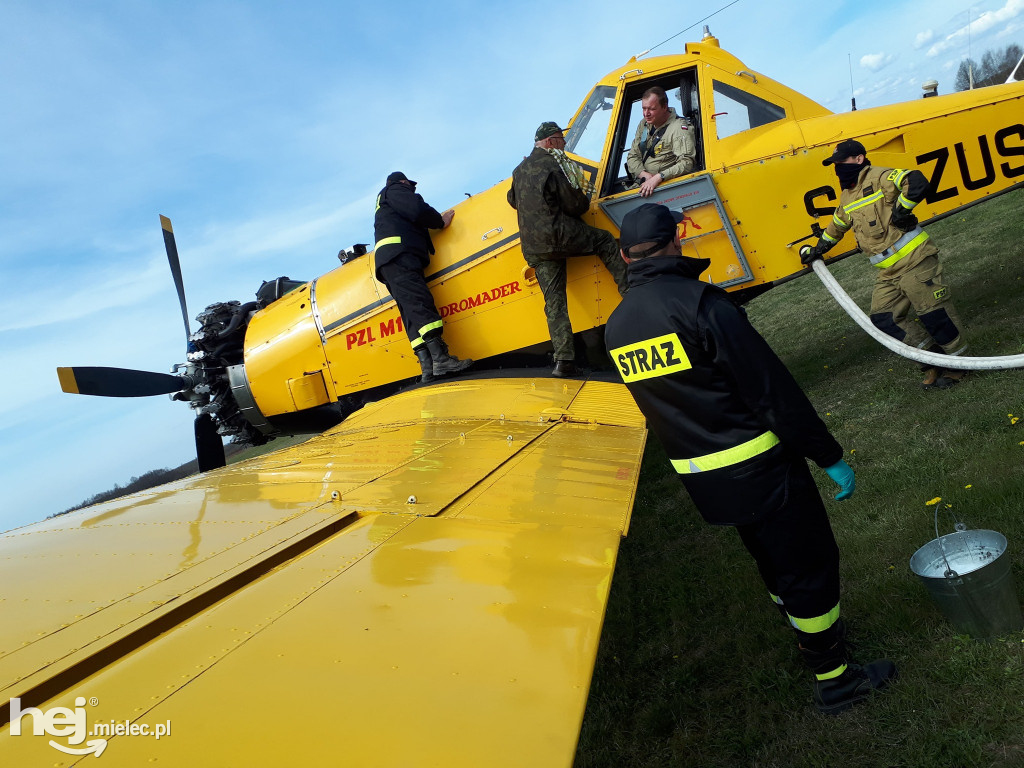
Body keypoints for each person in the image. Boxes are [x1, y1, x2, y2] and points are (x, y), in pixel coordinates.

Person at [605, 203, 896, 715]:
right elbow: (770, 393)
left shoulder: (617, 327)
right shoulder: (702, 306)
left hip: (709, 482)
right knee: (808, 568)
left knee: (772, 567)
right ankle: (836, 679)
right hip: (764, 471)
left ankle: (810, 640)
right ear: (675, 242)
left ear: (627, 256)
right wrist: (828, 456)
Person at [800, 139, 968, 389]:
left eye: (841, 162)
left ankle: (960, 365)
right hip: (887, 272)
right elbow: (837, 225)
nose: (837, 168)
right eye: (834, 164)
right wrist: (819, 249)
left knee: (933, 313)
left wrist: (903, 210)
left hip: (915, 259)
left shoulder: (880, 177)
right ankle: (933, 360)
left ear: (858, 159)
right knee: (884, 320)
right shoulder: (848, 195)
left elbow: (917, 180)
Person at [507, 121, 629, 377]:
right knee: (605, 240)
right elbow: (575, 206)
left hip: (534, 248)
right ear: (551, 142)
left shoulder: (519, 170)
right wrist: (582, 197)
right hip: (560, 235)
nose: (564, 144)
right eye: (561, 140)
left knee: (554, 304)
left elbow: (512, 199)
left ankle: (564, 362)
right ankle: (632, 292)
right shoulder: (553, 164)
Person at [374, 171, 472, 382]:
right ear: (402, 182)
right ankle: (441, 359)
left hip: (388, 261)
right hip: (401, 255)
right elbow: (416, 209)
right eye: (410, 186)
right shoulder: (395, 190)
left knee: (410, 313)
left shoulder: (384, 202)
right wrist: (439, 221)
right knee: (420, 304)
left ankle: (427, 365)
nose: (412, 190)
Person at [625, 86, 696, 197]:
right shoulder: (644, 124)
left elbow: (686, 163)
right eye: (644, 108)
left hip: (662, 190)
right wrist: (645, 175)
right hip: (641, 185)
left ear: (664, 107)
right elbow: (633, 156)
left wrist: (658, 177)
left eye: (651, 109)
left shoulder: (678, 128)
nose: (646, 113)